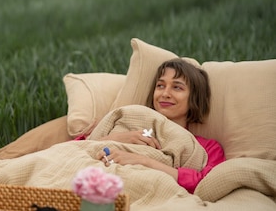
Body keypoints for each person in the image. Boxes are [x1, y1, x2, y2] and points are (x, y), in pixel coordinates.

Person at [96, 58, 226, 193]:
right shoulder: (128, 125)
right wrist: (117, 138)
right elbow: (77, 146)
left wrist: (144, 161)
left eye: (177, 87)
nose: (165, 94)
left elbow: (208, 183)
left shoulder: (207, 148)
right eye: (160, 86)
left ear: (194, 97)